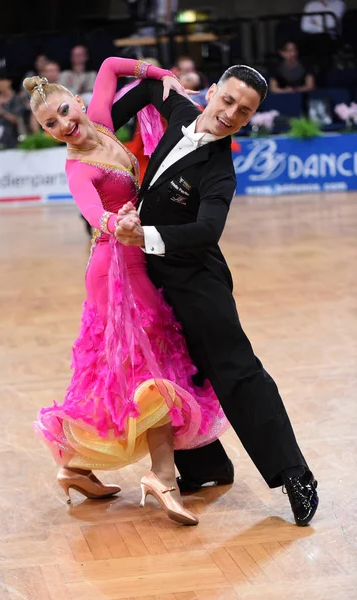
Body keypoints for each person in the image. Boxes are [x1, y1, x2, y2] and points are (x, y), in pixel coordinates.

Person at [111, 63, 319, 527]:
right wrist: (102, 126)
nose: (230, 114)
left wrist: (143, 234)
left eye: (244, 112)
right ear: (211, 92)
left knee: (236, 373)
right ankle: (207, 466)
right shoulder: (181, 108)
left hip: (198, 283)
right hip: (153, 277)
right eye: (227, 101)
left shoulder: (220, 169)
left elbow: (208, 230)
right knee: (178, 374)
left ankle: (296, 474)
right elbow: (146, 87)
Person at [24, 57, 229, 526]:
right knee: (141, 365)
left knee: (137, 367)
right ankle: (163, 477)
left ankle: (75, 467)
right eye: (49, 124)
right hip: (113, 267)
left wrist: (161, 76)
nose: (63, 125)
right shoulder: (78, 168)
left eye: (63, 112)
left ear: (77, 102)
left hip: (135, 260)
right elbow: (94, 213)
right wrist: (118, 221)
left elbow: (111, 67)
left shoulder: (99, 121)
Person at [0, 71, 26, 149]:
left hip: (13, 136)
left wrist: (1, 111)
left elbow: (18, 119)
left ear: (9, 81)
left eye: (1, 80)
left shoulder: (17, 99)